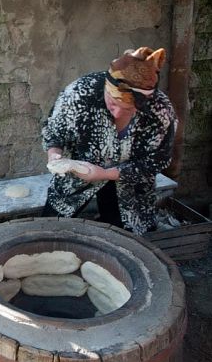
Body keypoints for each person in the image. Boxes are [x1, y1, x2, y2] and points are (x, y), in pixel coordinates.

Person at [41, 47, 177, 235]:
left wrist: (104, 173)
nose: (118, 113)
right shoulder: (80, 93)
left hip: (130, 180)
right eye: (113, 104)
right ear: (107, 88)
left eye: (129, 110)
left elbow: (156, 161)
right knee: (50, 228)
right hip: (81, 169)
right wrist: (55, 158)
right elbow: (54, 132)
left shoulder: (159, 111)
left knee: (127, 238)